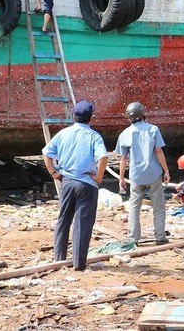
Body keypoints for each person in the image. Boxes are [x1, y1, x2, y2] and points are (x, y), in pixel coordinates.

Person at [43, 99, 108, 271]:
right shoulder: (94, 136)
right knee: (83, 223)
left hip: (67, 182)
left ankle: (59, 260)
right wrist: (99, 177)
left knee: (63, 219)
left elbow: (46, 154)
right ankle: (79, 264)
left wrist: (54, 174)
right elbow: (103, 157)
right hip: (86, 184)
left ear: (74, 116)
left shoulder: (63, 134)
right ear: (91, 118)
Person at [116, 101, 170, 246]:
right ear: (143, 114)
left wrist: (121, 178)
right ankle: (160, 237)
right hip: (154, 173)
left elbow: (123, 158)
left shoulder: (125, 133)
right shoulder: (153, 129)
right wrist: (166, 171)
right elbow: (158, 151)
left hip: (136, 175)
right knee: (158, 206)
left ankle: (133, 239)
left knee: (134, 207)